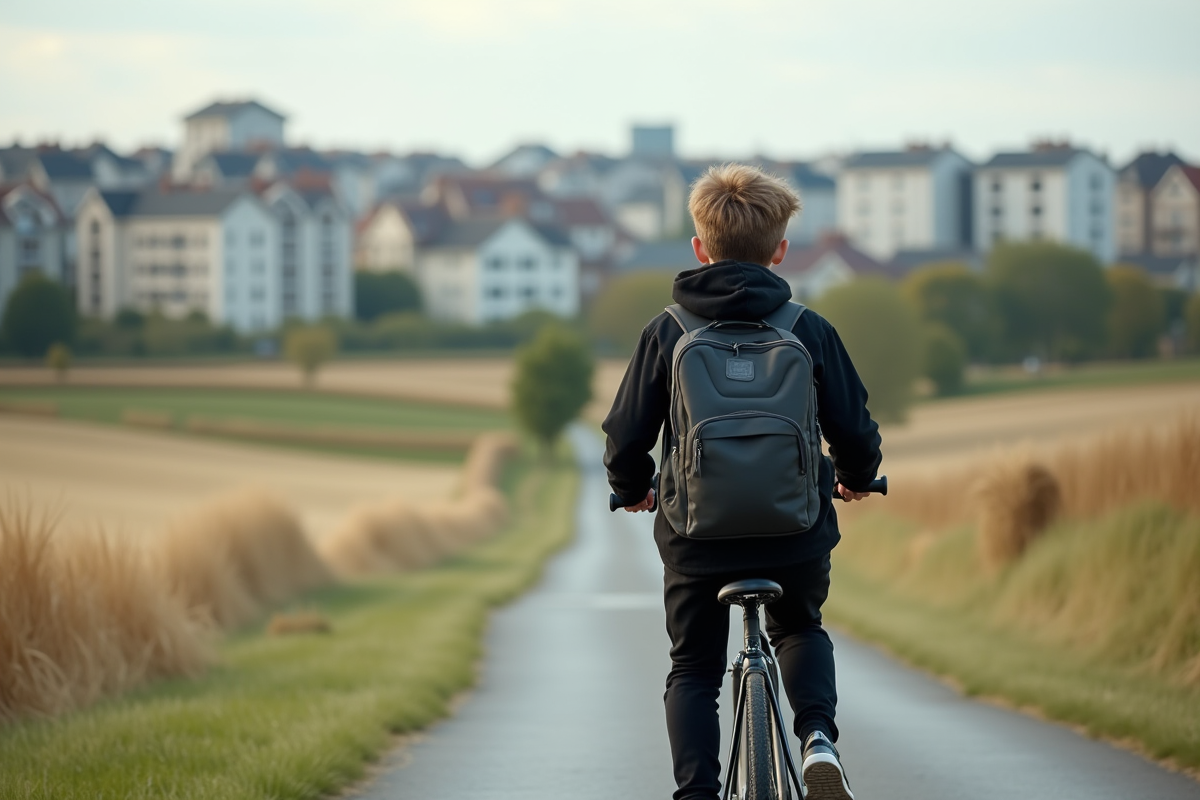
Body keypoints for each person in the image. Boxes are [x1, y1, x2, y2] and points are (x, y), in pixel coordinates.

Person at [602, 163, 883, 800]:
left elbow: (625, 434)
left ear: (700, 247)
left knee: (695, 667)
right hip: (794, 533)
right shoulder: (807, 329)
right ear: (780, 250)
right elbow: (855, 427)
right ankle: (817, 739)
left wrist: (635, 485)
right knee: (800, 627)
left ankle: (696, 793)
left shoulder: (668, 331)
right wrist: (858, 478)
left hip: (697, 539)